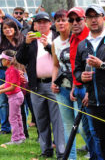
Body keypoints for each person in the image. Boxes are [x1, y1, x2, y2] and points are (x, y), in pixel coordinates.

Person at [16, 12, 65, 159]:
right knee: (41, 119)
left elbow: (62, 56)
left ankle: (61, 151)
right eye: (39, 22)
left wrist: (47, 46)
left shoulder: (56, 37)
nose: (42, 25)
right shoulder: (30, 39)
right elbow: (19, 58)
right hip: (36, 85)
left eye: (45, 22)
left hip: (54, 83)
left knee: (58, 120)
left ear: (50, 24)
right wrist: (26, 44)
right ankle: (46, 150)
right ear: (35, 25)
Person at [67, 7, 99, 159]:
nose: (75, 23)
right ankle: (93, 155)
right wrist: (75, 84)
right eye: (71, 20)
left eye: (78, 19)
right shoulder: (75, 39)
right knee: (85, 129)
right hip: (79, 88)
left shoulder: (90, 39)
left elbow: (94, 70)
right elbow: (77, 68)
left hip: (91, 93)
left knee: (94, 130)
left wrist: (88, 91)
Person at [74, 4, 105, 159]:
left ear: (103, 18)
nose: (94, 20)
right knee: (99, 139)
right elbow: (77, 70)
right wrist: (81, 77)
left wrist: (102, 65)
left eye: (96, 16)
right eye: (90, 17)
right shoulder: (83, 44)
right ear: (86, 20)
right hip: (93, 101)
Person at [51, 9, 79, 159]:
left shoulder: (76, 39)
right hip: (62, 88)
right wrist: (53, 82)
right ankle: (71, 157)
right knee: (68, 126)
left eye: (64, 20)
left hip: (77, 88)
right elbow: (56, 65)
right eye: (58, 20)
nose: (61, 23)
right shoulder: (55, 42)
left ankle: (93, 153)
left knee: (80, 126)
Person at [0, 50, 25, 145]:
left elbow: (12, 87)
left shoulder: (13, 70)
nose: (1, 61)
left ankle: (16, 139)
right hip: (15, 96)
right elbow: (7, 84)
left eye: (2, 59)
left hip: (15, 97)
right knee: (17, 117)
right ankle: (21, 136)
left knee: (13, 118)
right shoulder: (9, 70)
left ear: (8, 60)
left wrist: (0, 91)